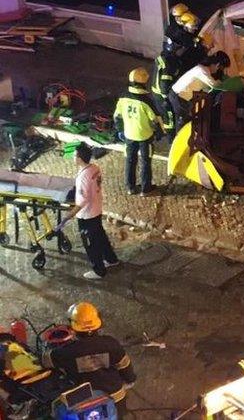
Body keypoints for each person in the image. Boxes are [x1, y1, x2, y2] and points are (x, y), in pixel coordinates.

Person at [43, 303, 136, 415]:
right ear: (97, 324)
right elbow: (126, 368)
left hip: (86, 404)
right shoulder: (111, 344)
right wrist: (130, 380)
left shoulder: (68, 352)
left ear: (74, 328)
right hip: (116, 399)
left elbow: (46, 360)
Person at [56, 143, 120, 280]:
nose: (73, 158)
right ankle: (111, 259)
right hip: (96, 208)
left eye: (74, 156)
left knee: (91, 244)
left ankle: (99, 270)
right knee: (101, 236)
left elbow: (82, 200)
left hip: (87, 214)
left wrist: (69, 215)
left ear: (80, 158)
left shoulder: (83, 176)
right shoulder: (94, 168)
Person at [114, 68, 163, 196]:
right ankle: (146, 189)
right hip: (145, 136)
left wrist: (120, 130)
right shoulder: (146, 101)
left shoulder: (123, 97)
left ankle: (130, 187)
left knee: (130, 160)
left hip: (129, 134)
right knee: (145, 162)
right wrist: (159, 133)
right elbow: (155, 120)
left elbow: (117, 116)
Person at [169, 52, 230, 128]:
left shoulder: (204, 70)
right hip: (178, 97)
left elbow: (207, 89)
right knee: (182, 123)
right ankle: (179, 139)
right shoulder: (202, 71)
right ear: (218, 65)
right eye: (222, 68)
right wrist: (228, 84)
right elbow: (214, 85)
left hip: (182, 98)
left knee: (186, 121)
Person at [151, 44, 181, 138]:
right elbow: (164, 84)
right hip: (162, 94)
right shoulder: (168, 64)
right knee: (169, 117)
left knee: (164, 114)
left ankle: (166, 133)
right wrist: (166, 98)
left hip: (156, 91)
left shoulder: (161, 58)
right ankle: (171, 138)